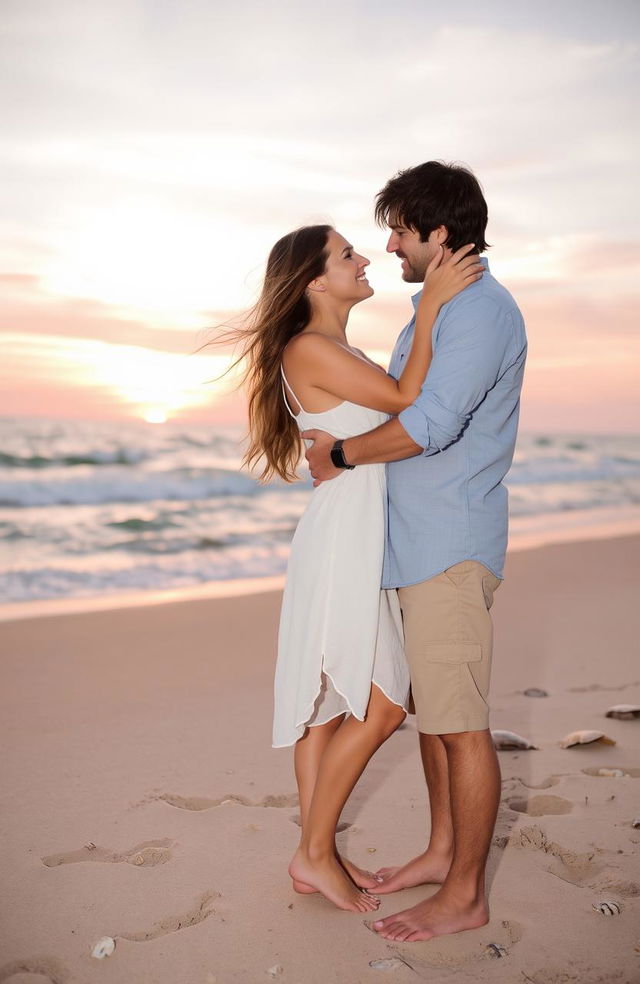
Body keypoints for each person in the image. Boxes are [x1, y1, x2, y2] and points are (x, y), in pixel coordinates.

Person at [304, 161, 527, 941]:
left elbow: (428, 424)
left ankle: (464, 893)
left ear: (436, 232)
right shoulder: (441, 308)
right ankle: (441, 852)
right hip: (414, 545)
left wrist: (340, 457)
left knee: (461, 723)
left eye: (399, 229)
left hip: (449, 544)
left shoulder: (478, 312)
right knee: (436, 714)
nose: (390, 244)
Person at [233, 223, 483, 914]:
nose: (365, 257)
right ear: (314, 279)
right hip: (345, 536)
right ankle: (313, 852)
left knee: (328, 710)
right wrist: (429, 305)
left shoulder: (333, 347)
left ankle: (317, 853)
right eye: (347, 254)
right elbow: (409, 400)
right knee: (381, 704)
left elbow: (390, 419)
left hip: (350, 531)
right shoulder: (312, 346)